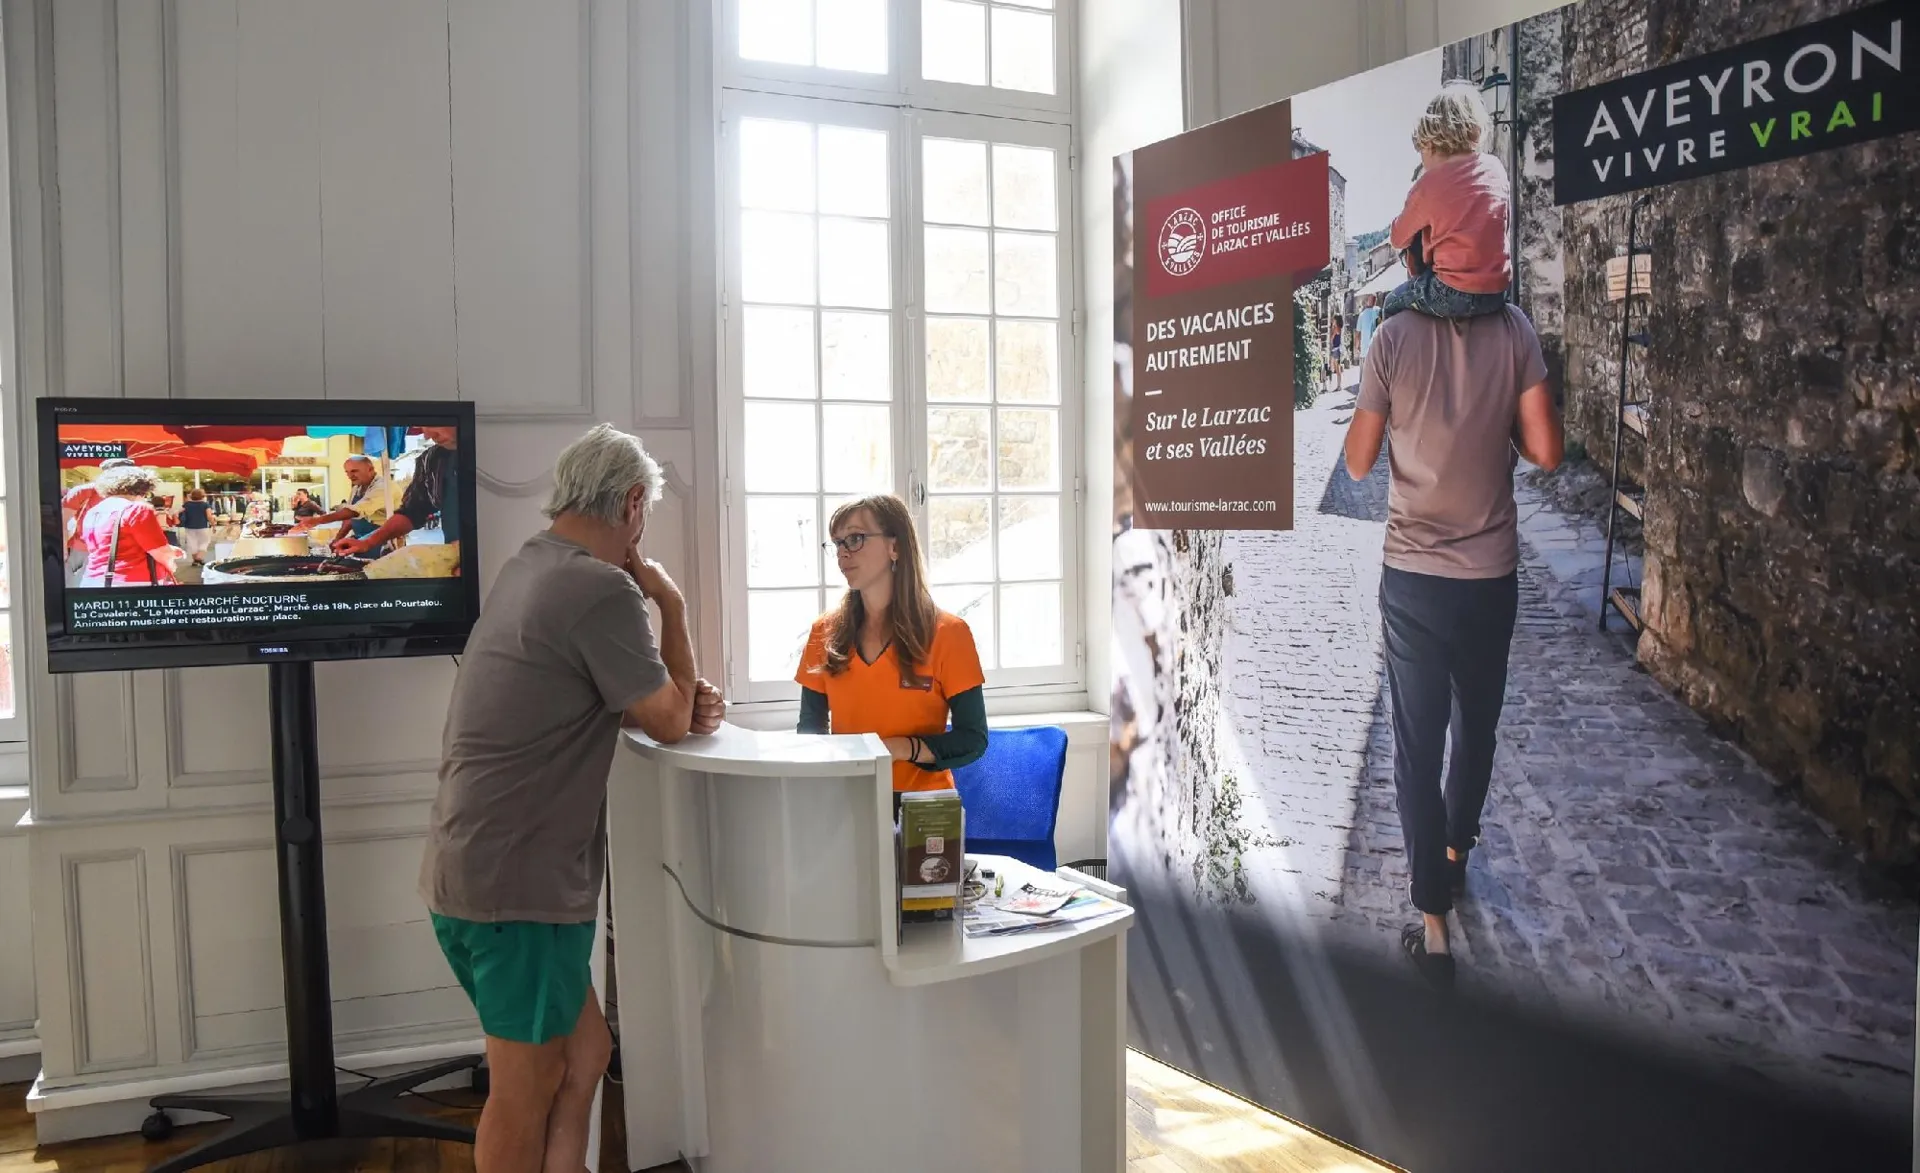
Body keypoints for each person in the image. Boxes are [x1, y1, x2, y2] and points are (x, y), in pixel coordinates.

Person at [419, 423, 725, 1173]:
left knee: (587, 1050)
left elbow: (609, 698)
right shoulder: (600, 587)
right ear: (633, 504)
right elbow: (670, 720)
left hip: (471, 876)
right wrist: (672, 604)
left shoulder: (531, 565)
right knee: (522, 1092)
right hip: (519, 891)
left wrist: (675, 696)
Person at [1342, 299, 1562, 991]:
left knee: (1417, 744)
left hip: (1415, 578)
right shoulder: (1515, 328)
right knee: (1476, 725)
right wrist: (1496, 427)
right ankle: (1455, 853)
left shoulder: (1393, 337)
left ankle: (1434, 931)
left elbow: (1357, 463)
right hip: (1491, 575)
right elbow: (1547, 451)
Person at [795, 493, 987, 796]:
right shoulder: (823, 633)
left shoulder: (950, 634)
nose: (842, 553)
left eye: (855, 539)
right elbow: (810, 731)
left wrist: (900, 748)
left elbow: (973, 739)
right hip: (848, 801)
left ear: (895, 547)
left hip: (923, 805)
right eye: (838, 543)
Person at [1383, 83, 1512, 322]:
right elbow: (1503, 224)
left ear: (1431, 144)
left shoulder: (1428, 184)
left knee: (1391, 303)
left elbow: (1398, 238)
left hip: (1451, 292)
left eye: (1421, 152)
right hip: (1498, 291)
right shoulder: (1495, 168)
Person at [332, 426, 458, 558]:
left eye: (434, 422)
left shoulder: (381, 487)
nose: (427, 435)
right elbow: (411, 512)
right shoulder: (432, 460)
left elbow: (355, 511)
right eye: (422, 426)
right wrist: (367, 542)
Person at [75, 466, 182, 588]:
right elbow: (161, 552)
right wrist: (171, 561)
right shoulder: (136, 509)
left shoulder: (93, 511)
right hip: (132, 581)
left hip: (93, 580)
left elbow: (104, 545)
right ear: (142, 488)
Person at [62, 456, 139, 580]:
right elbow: (62, 521)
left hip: (120, 553)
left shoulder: (133, 495)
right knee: (80, 587)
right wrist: (63, 547)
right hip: (85, 551)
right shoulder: (85, 491)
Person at [292, 454, 392, 550]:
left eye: (354, 471)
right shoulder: (357, 488)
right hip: (360, 540)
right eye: (347, 472)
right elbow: (349, 518)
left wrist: (317, 520)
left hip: (382, 542)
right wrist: (338, 539)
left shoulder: (383, 487)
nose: (350, 476)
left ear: (370, 469)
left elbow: (354, 512)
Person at [177, 489, 215, 566]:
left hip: (189, 526)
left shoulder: (187, 504)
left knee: (192, 542)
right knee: (204, 541)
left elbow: (178, 512)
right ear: (202, 496)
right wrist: (213, 525)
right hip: (202, 526)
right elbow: (209, 516)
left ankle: (195, 560)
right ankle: (199, 558)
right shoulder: (205, 505)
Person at [1357, 293, 1382, 360]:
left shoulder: (1362, 315)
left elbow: (1358, 334)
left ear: (1368, 301)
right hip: (1376, 349)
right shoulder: (1379, 311)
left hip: (1365, 351)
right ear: (1375, 301)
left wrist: (1357, 346)